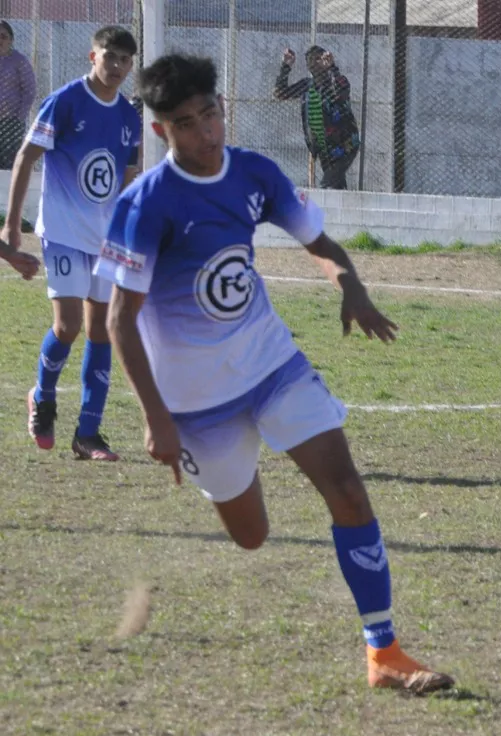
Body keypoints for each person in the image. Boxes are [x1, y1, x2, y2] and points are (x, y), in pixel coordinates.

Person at [99, 53, 454, 695]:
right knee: (252, 536)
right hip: (195, 404)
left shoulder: (255, 173)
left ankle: (385, 651)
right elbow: (121, 321)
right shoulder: (144, 206)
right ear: (161, 132)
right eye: (186, 123)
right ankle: (240, 458)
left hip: (269, 364)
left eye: (211, 113)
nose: (206, 133)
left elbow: (318, 243)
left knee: (346, 489)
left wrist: (350, 285)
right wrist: (155, 420)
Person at [3, 25, 142, 460]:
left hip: (104, 241)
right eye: (110, 56)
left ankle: (88, 434)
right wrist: (11, 226)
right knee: (68, 327)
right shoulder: (65, 101)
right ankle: (42, 398)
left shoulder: (128, 116)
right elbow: (26, 155)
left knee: (102, 330)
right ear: (92, 55)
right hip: (62, 232)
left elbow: (128, 178)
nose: (116, 66)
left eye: (124, 59)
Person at [273, 45, 360, 190]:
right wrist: (286, 67)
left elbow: (341, 92)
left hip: (345, 145)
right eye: (310, 60)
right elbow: (280, 93)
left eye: (317, 59)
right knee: (337, 187)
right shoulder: (307, 85)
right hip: (325, 148)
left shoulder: (337, 80)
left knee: (328, 184)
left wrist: (332, 67)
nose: (313, 63)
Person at [0, 20, 36, 170]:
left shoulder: (19, 61)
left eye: (3, 36)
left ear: (11, 40)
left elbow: (29, 91)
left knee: (7, 162)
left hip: (10, 121)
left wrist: (19, 117)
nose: (0, 40)